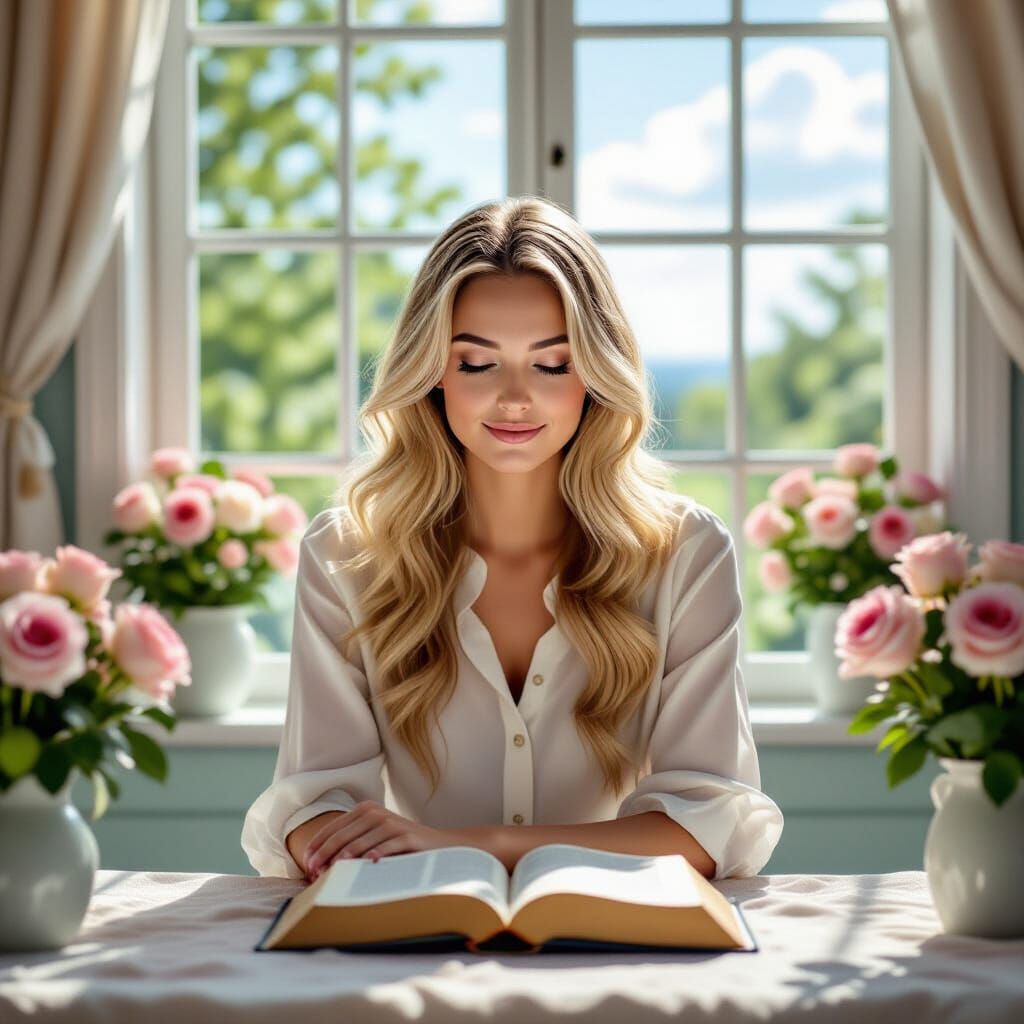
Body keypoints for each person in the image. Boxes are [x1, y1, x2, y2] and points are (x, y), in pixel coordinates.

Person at [240, 195, 784, 884]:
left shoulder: (686, 554)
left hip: (617, 942)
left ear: (594, 374)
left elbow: (708, 824)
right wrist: (327, 836)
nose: (516, 398)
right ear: (434, 371)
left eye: (552, 364)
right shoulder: (349, 553)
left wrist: (474, 843)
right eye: (477, 364)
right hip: (419, 938)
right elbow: (310, 804)